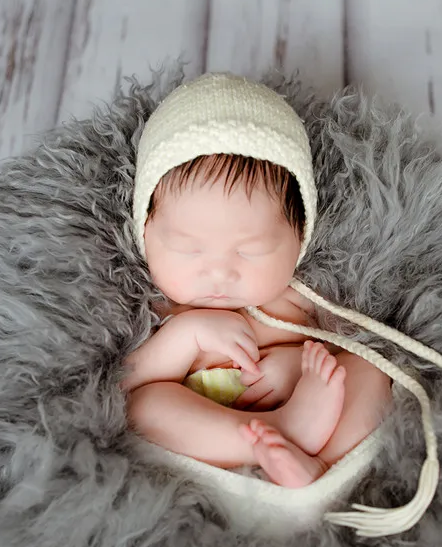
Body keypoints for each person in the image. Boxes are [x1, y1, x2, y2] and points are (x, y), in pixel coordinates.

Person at [121, 72, 393, 489]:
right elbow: (126, 381)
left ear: (299, 238)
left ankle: (320, 472)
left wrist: (296, 369)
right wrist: (186, 336)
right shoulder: (160, 307)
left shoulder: (300, 299)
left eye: (251, 250)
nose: (219, 273)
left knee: (369, 369)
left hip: (311, 414)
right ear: (145, 233)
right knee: (144, 408)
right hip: (210, 433)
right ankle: (276, 435)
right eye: (188, 248)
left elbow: (347, 345)